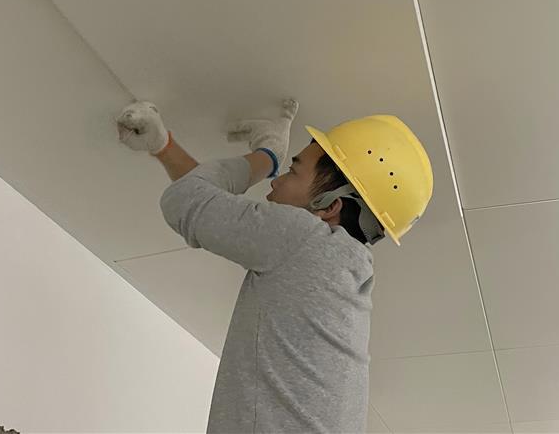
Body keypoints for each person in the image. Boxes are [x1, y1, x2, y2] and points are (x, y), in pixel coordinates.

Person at [116, 98, 433, 433]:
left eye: (292, 171)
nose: (276, 181)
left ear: (330, 206)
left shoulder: (307, 242)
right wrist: (163, 146)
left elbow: (188, 201)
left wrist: (267, 155)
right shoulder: (337, 266)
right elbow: (202, 204)